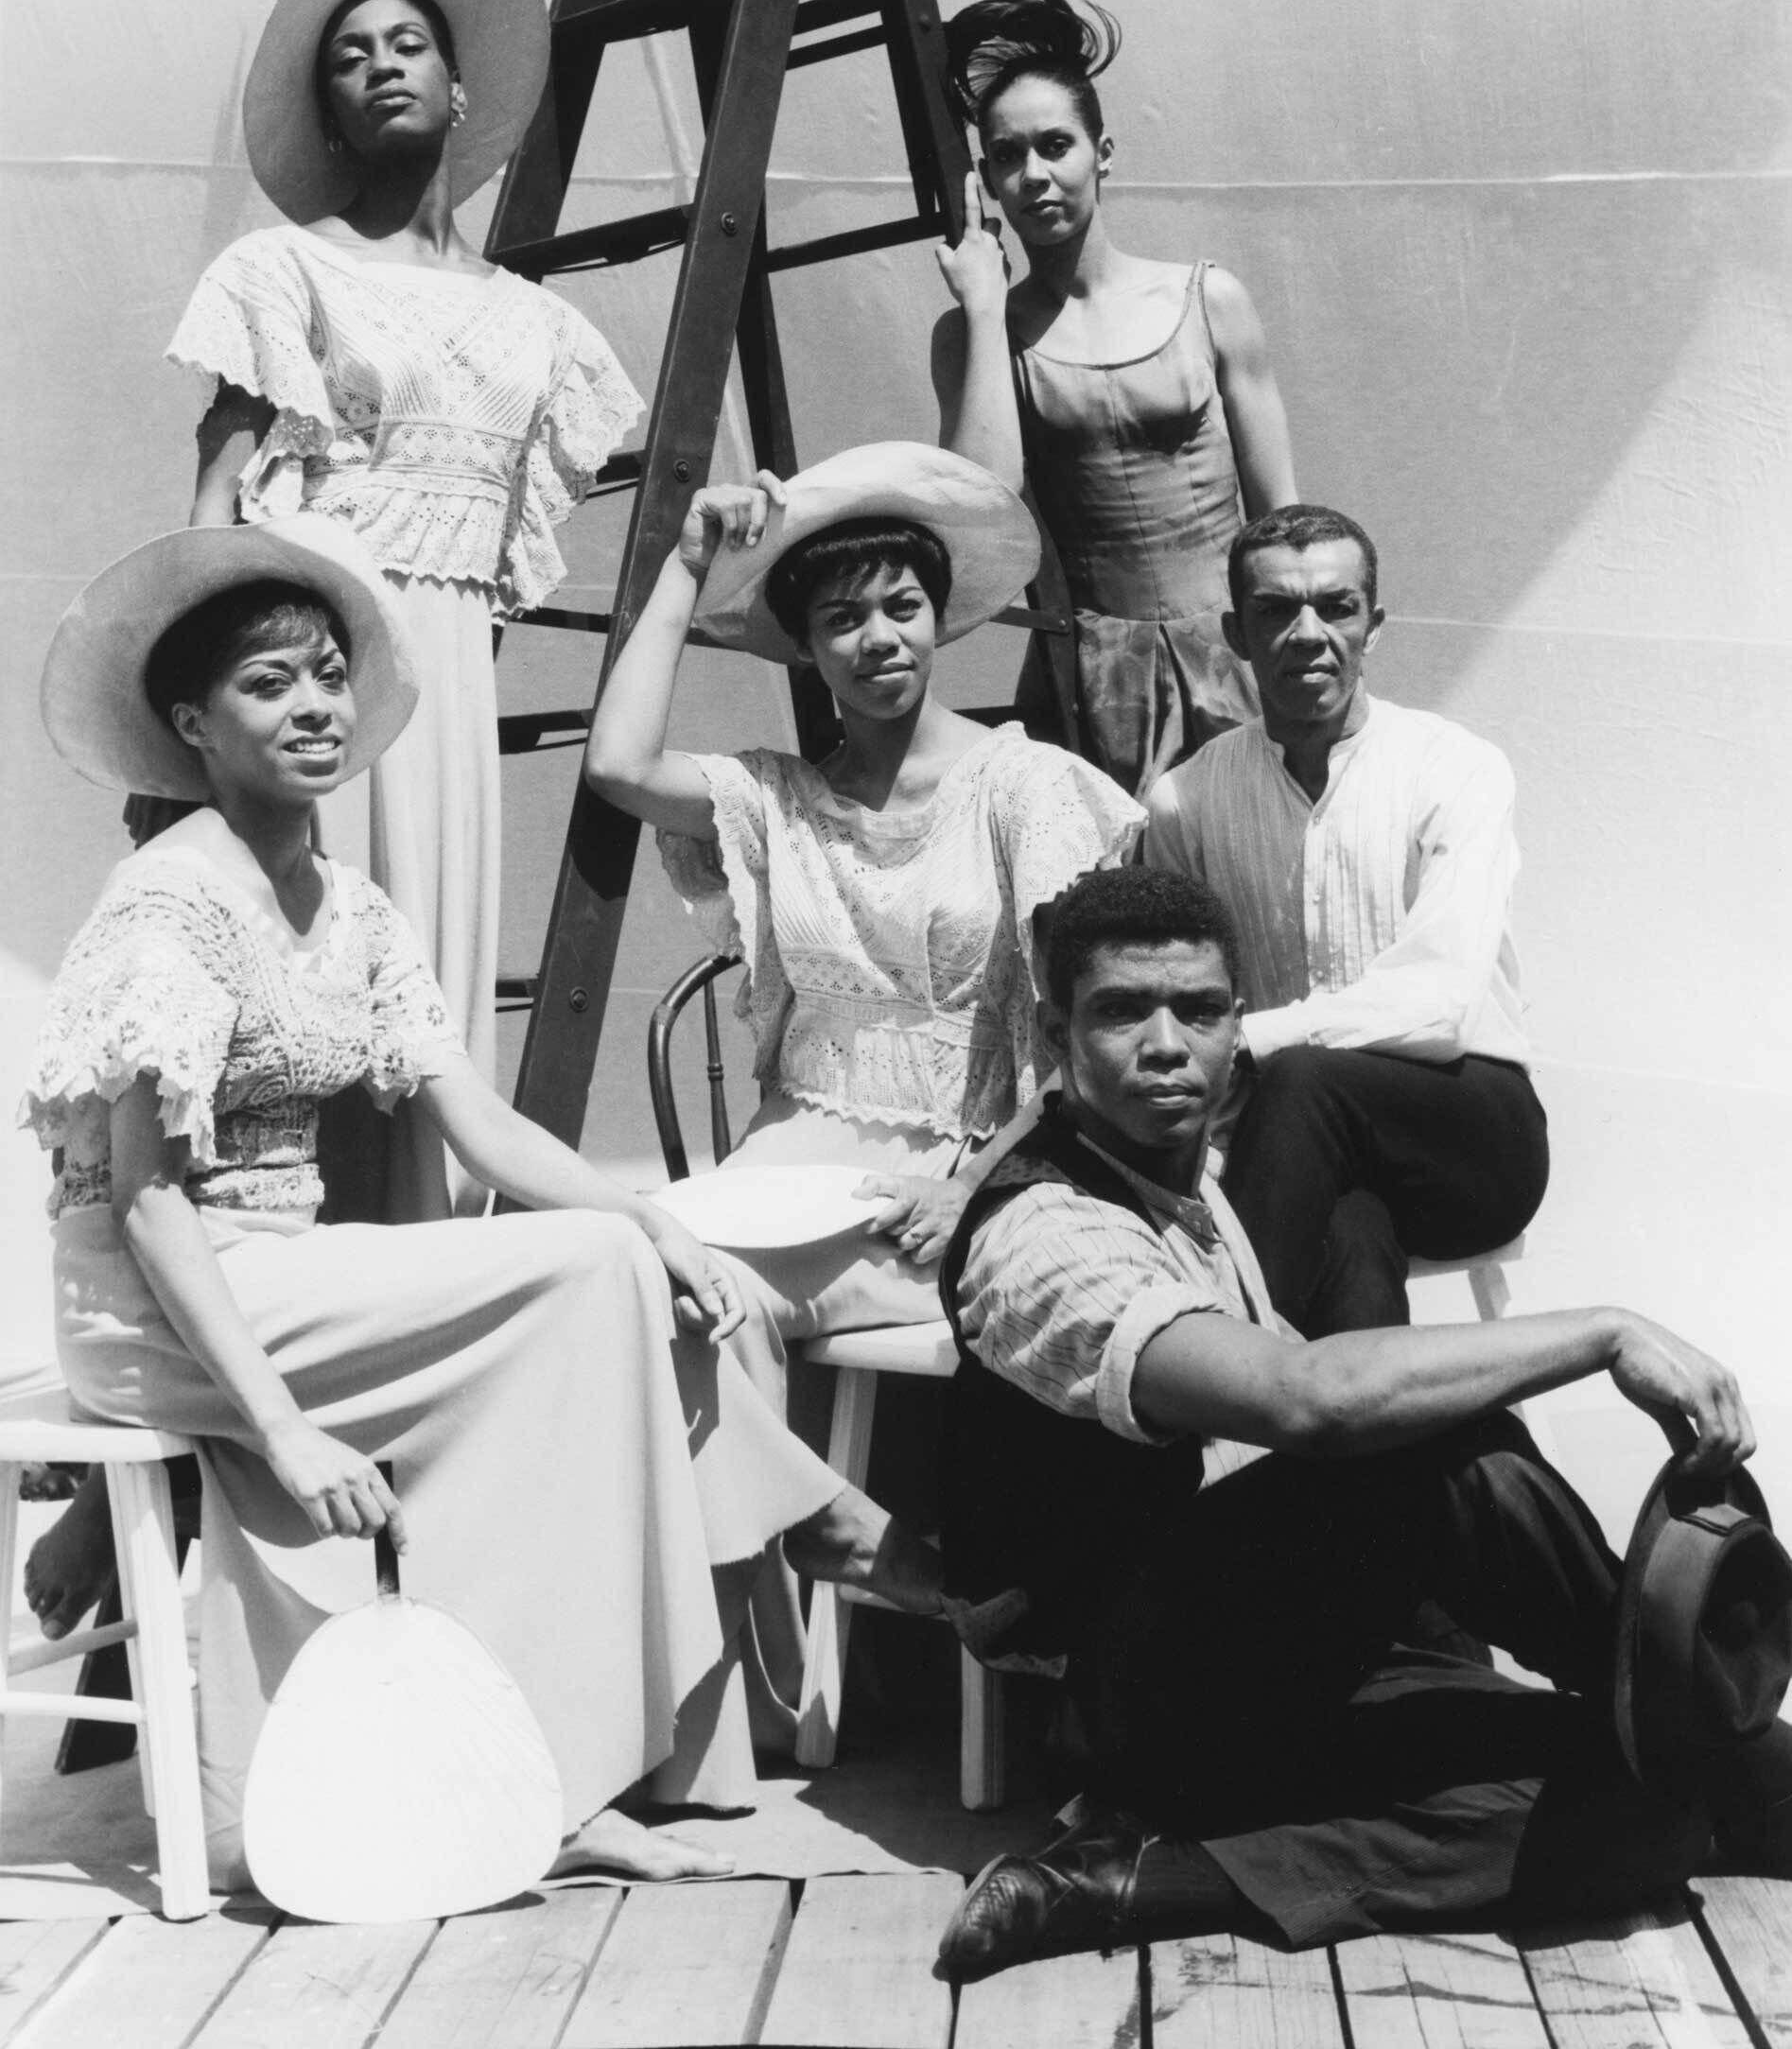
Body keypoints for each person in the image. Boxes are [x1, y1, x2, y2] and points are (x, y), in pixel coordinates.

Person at [20, 516, 932, 1890]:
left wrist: (658, 1222)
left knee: (611, 1271)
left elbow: (479, 1122)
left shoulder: (349, 906)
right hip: (166, 1302)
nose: (316, 705)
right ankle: (806, 1532)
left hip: (285, 1272)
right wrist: (278, 1426)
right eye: (270, 686)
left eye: (327, 674)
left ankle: (548, 1777)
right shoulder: (169, 903)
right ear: (191, 725)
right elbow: (148, 1205)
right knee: (582, 1279)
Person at [934, 865, 1792, 1978]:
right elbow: (1309, 1404)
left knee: (1647, 1809)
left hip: (1269, 1653)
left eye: (1196, 1011)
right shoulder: (1041, 1232)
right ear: (1055, 1033)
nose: (1163, 1043)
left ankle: (1123, 1880)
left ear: (1237, 1028)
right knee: (1440, 1448)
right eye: (1118, 1012)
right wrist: (1601, 1331)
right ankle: (1723, 1738)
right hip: (1126, 1692)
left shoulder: (1185, 1191)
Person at [583, 440, 1141, 1736]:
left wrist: (980, 1181)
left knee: (680, 1288)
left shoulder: (1023, 785)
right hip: (792, 1166)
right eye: (840, 620)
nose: (876, 638)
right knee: (636, 1279)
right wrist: (681, 567)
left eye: (898, 607)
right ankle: (830, 1547)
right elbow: (616, 765)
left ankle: (811, 1581)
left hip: (974, 1168)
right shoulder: (775, 799)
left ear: (937, 618)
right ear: (803, 652)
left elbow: (1078, 1035)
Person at [163, 0, 645, 1224]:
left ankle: (420, 1273)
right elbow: (212, 506)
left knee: (418, 979)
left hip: (435, 684)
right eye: (348, 57)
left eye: (404, 45)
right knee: (291, 978)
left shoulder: (540, 327)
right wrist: (186, 730)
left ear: (458, 86)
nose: (378, 66)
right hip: (304, 655)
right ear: (329, 110)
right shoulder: (282, 275)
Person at [1142, 504, 1549, 1335]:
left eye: (1335, 607)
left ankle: (1209, 1374)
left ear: (1373, 626)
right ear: (1233, 630)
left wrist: (1257, 1040)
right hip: (1298, 1161)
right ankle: (1387, 1461)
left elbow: (1437, 1001)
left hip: (1468, 1136)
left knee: (1300, 1079)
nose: (1306, 633)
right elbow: (1174, 994)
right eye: (1275, 610)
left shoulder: (1455, 768)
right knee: (1350, 1250)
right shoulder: (1188, 798)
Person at [931, 0, 1297, 795]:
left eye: (1054, 145)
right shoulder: (974, 335)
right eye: (1007, 156)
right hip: (1091, 673)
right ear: (986, 182)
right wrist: (986, 311)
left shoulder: (1209, 300)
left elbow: (1281, 523)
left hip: (1234, 656)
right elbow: (981, 498)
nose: (1034, 175)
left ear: (1102, 153)